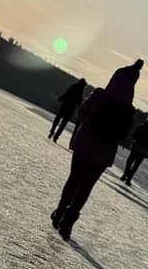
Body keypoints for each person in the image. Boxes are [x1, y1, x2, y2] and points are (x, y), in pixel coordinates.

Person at [51, 60, 142, 239]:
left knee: (74, 179)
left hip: (85, 143)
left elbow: (82, 112)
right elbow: (125, 135)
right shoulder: (129, 110)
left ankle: (60, 212)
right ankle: (69, 221)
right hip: (104, 153)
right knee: (86, 187)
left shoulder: (100, 95)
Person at [121, 116, 148, 186]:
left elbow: (134, 135)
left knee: (129, 162)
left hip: (136, 146)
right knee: (136, 165)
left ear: (147, 119)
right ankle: (128, 179)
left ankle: (125, 175)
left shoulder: (141, 126)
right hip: (145, 150)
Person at [49, 77, 86, 142]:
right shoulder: (80, 91)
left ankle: (52, 131)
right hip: (70, 109)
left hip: (65, 105)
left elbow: (67, 93)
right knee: (63, 124)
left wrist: (61, 98)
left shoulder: (74, 86)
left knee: (57, 119)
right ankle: (56, 136)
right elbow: (79, 102)